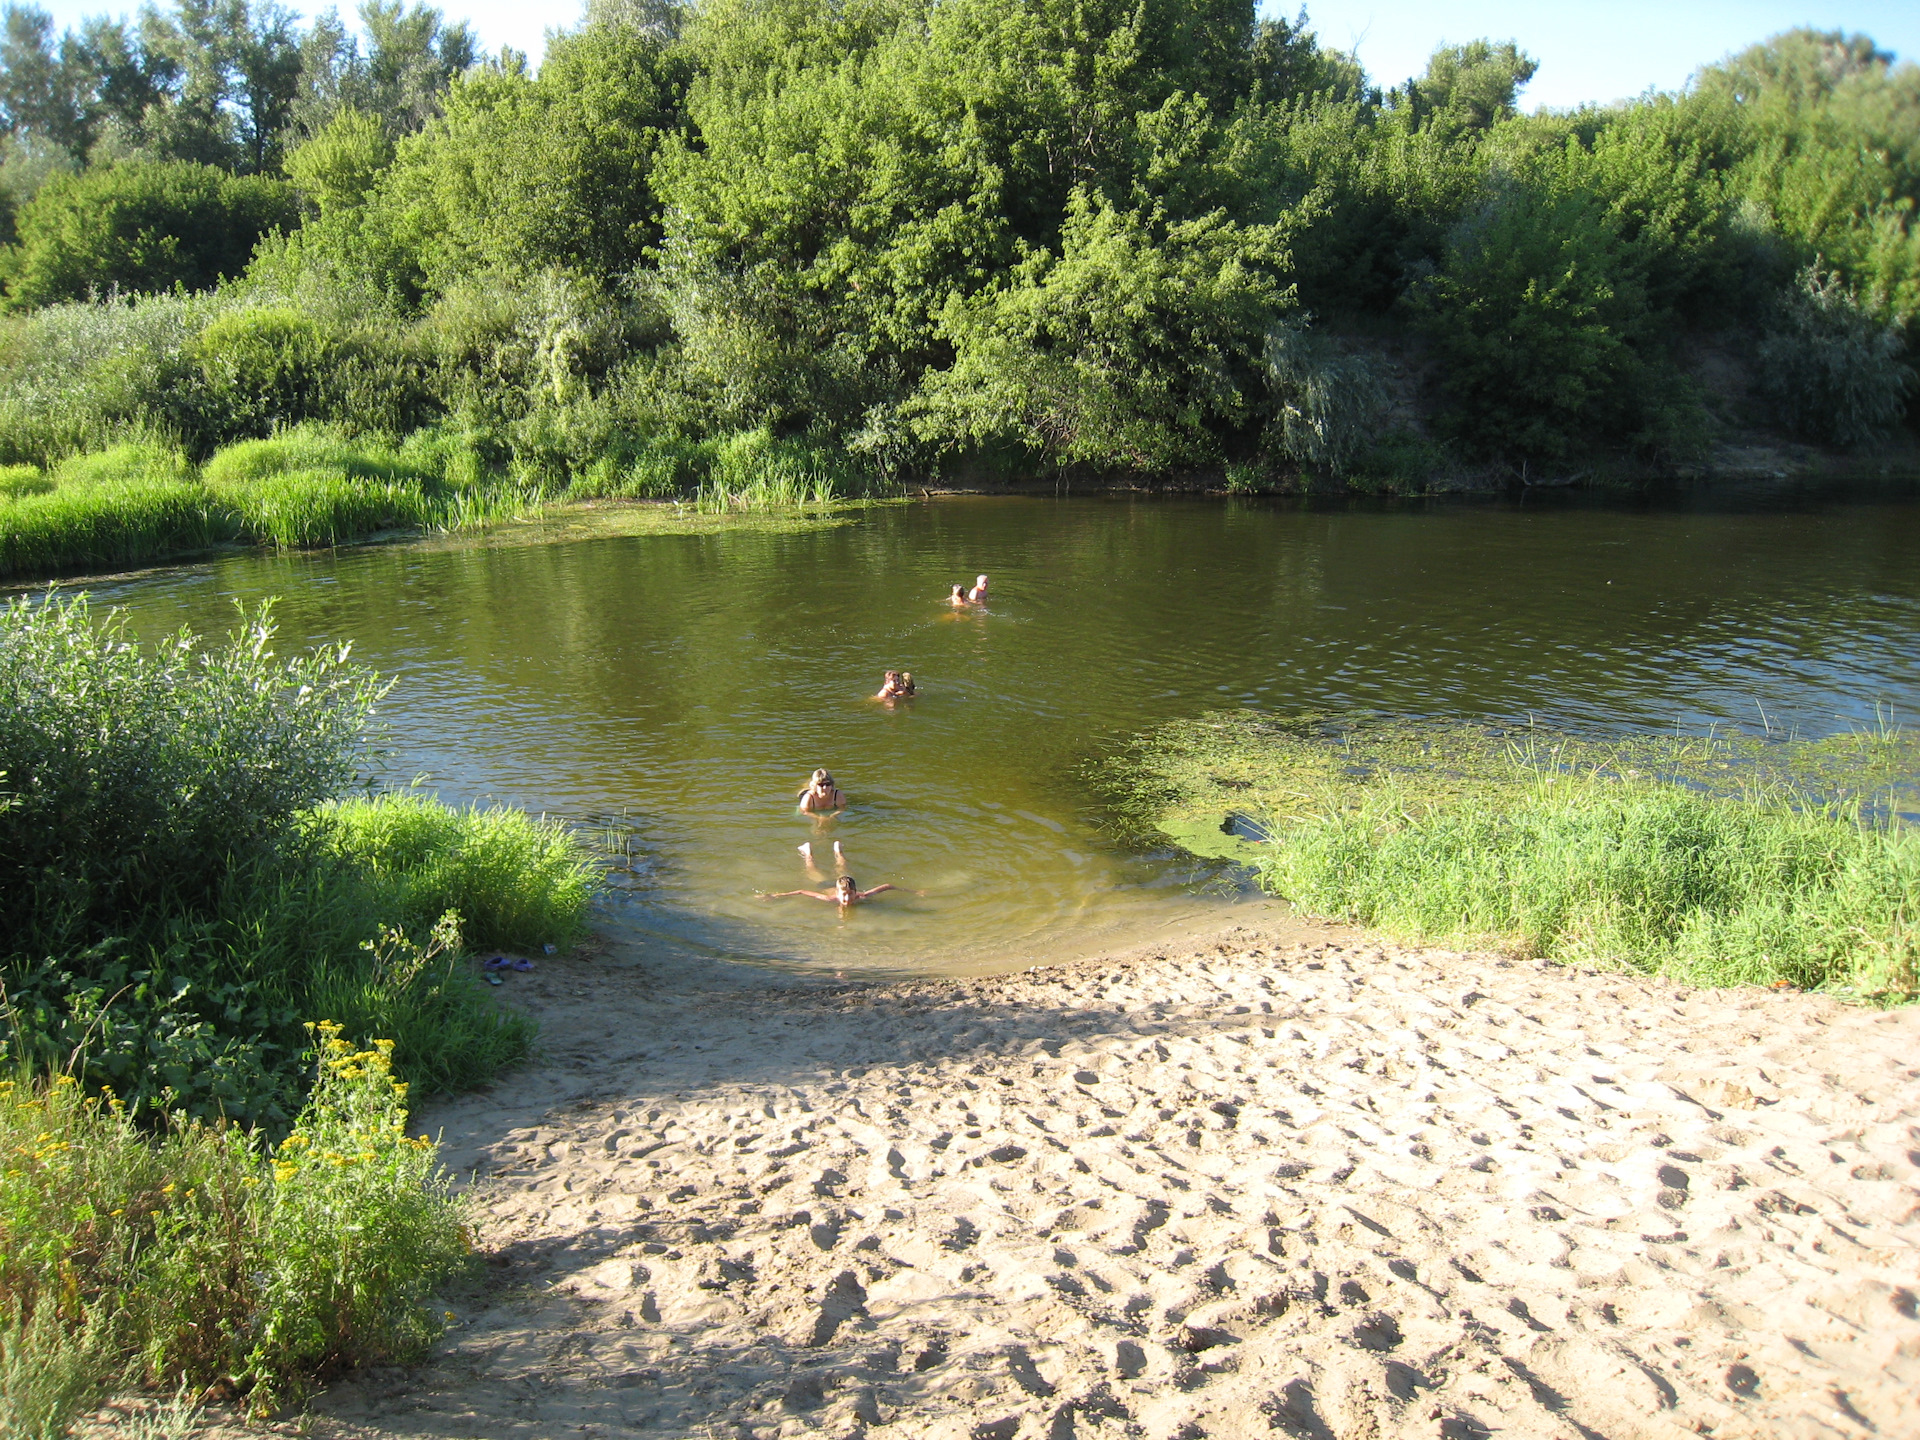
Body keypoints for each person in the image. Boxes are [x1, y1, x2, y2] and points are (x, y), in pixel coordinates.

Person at [761, 874, 897, 909]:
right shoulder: (830, 898)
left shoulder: (863, 896)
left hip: (841, 884)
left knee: (842, 867)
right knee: (814, 873)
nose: (847, 899)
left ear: (856, 892)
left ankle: (839, 852)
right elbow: (802, 891)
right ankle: (807, 854)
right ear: (838, 894)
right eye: (844, 895)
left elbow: (888, 886)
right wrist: (776, 895)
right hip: (826, 886)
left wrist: (915, 892)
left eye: (850, 894)